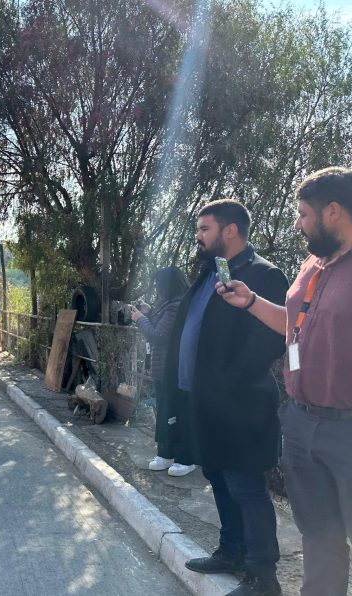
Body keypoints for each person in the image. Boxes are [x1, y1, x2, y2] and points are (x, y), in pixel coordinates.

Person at [217, 167, 352, 596]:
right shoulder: (312, 265)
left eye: (303, 215)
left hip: (349, 432)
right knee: (318, 536)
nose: (296, 224)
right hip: (300, 424)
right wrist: (252, 302)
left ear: (333, 211)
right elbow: (295, 327)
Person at [163, 199, 288, 596]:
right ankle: (231, 551)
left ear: (229, 230)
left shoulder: (265, 275)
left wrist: (228, 383)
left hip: (241, 406)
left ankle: (262, 576)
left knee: (247, 487)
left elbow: (269, 340)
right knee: (217, 477)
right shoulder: (208, 274)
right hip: (203, 402)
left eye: (204, 229)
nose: (198, 237)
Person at [130, 266, 193, 477]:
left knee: (176, 413)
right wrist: (149, 312)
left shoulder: (177, 305)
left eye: (159, 285)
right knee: (165, 411)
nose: (158, 289)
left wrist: (140, 318)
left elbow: (158, 335)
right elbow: (161, 325)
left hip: (173, 368)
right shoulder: (170, 304)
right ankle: (166, 454)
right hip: (164, 368)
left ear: (168, 285)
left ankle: (186, 458)